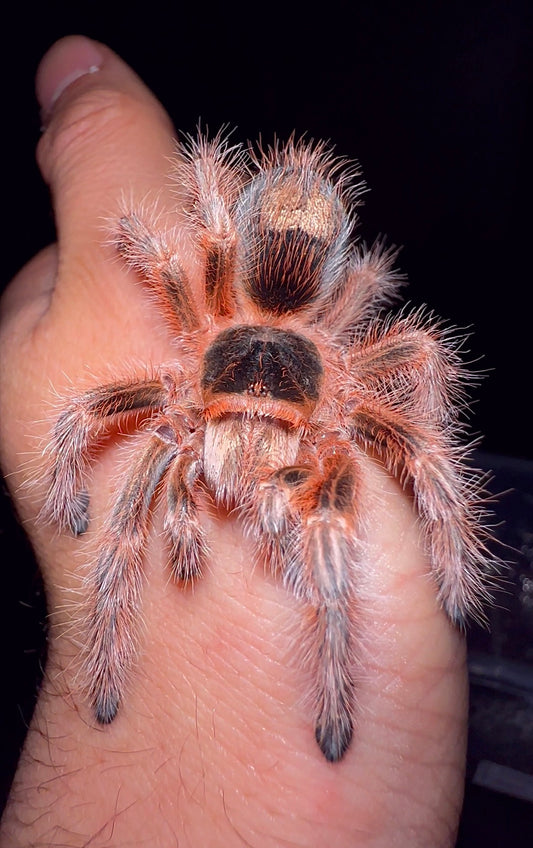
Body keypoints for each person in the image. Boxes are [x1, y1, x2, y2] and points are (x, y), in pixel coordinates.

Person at [0, 36, 468, 847]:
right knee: (129, 515)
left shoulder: (340, 385)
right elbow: (86, 399)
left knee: (404, 448)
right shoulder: (194, 348)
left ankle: (334, 690)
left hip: (294, 328)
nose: (245, 449)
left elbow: (424, 384)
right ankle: (108, 660)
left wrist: (448, 565)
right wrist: (68, 482)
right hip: (252, 317)